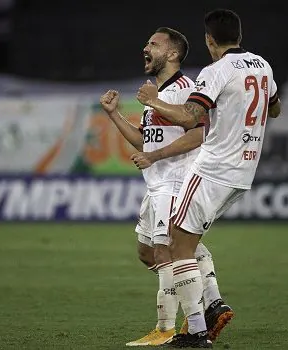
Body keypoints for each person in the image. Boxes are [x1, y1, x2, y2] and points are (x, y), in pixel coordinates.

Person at [137, 9, 281, 348]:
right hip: (244, 171)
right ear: (239, 36)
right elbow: (274, 109)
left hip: (214, 167)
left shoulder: (216, 71)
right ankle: (209, 309)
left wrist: (154, 100)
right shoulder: (264, 66)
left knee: (177, 245)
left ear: (209, 39)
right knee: (183, 240)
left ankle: (198, 331)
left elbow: (191, 117)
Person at [100, 27, 233, 347]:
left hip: (178, 180)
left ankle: (179, 327)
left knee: (168, 251)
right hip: (157, 181)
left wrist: (155, 155)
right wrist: (115, 115)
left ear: (172, 54)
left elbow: (199, 133)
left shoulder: (185, 88)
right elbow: (144, 139)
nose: (146, 47)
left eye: (154, 44)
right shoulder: (154, 93)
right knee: (148, 252)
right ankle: (211, 301)